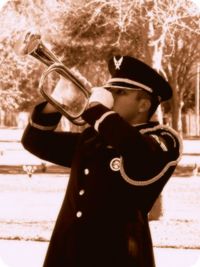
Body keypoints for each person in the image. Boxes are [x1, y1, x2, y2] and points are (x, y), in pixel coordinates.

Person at [21, 55, 182, 267]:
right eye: (108, 91)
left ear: (143, 104)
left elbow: (138, 152)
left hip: (117, 255)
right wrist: (58, 101)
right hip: (68, 251)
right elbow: (36, 141)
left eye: (120, 93)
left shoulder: (164, 139)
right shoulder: (94, 137)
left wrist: (97, 109)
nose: (109, 96)